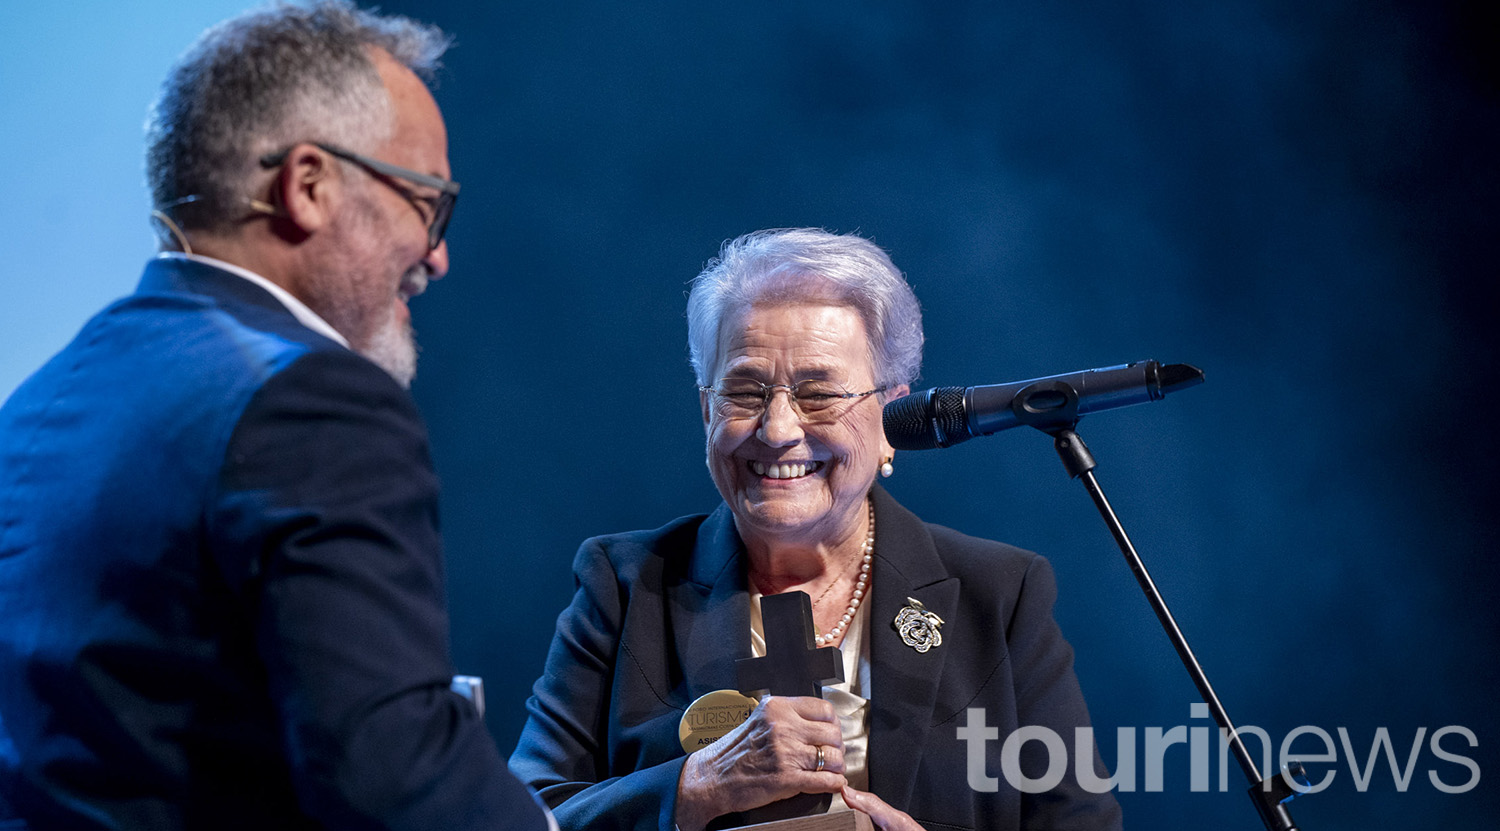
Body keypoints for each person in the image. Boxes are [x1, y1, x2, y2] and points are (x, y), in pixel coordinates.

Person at [0, 3, 552, 829]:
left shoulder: (40, 403)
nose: (438, 255)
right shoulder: (312, 402)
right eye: (428, 203)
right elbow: (396, 783)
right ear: (309, 186)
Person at [509, 228, 1123, 830]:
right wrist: (693, 788)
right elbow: (518, 816)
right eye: (744, 392)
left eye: (818, 394)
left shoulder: (1000, 595)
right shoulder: (623, 588)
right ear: (706, 410)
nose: (777, 430)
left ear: (891, 417)